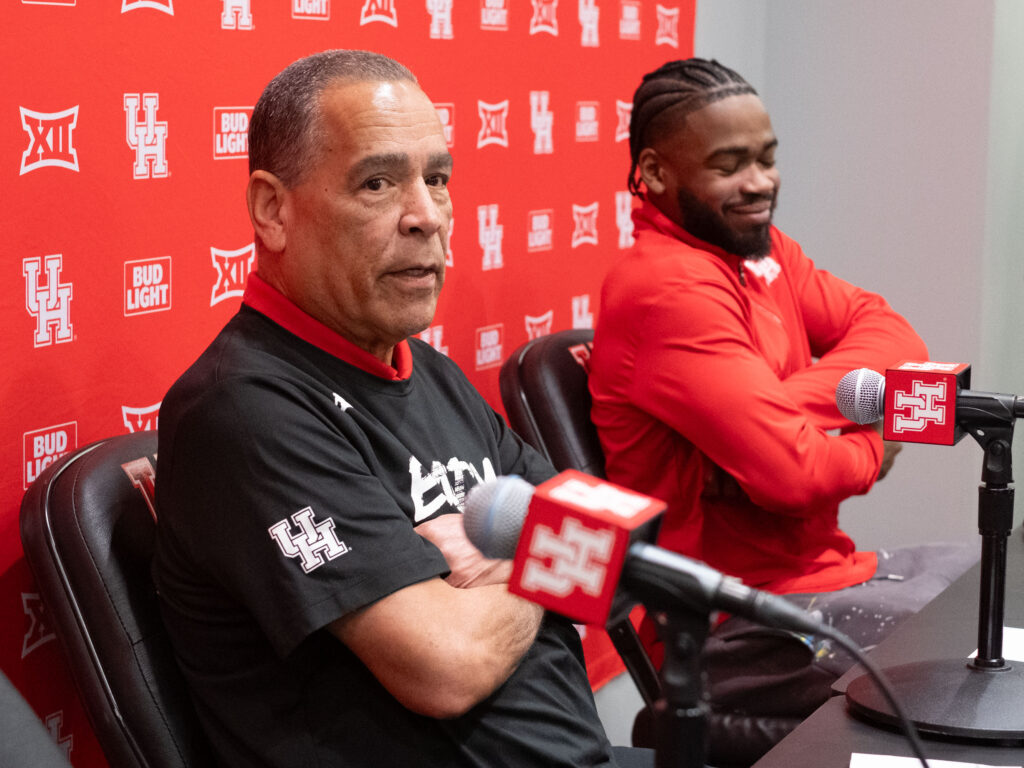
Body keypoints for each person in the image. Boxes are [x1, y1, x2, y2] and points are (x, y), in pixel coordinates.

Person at [152, 50, 653, 768]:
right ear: (273, 209)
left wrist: (482, 562)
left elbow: (611, 543)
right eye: (378, 183)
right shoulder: (242, 410)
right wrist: (536, 555)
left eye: (438, 179)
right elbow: (445, 665)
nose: (426, 216)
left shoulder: (432, 374)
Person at [589, 57, 976, 761]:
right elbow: (795, 473)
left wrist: (778, 406)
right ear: (653, 172)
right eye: (729, 165)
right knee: (975, 662)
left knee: (997, 591)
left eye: (767, 158)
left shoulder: (762, 253)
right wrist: (873, 438)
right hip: (733, 620)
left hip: (828, 570)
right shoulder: (665, 289)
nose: (760, 183)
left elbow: (890, 330)